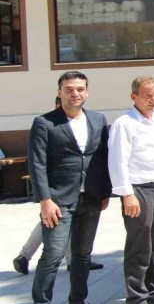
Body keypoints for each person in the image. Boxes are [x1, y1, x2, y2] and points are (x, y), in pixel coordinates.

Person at [28, 71, 111, 304]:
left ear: (87, 92)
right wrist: (45, 200)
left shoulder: (98, 119)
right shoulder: (44, 122)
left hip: (91, 198)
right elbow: (37, 164)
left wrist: (105, 192)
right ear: (60, 92)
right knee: (53, 255)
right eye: (69, 90)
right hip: (58, 200)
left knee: (83, 255)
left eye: (80, 89)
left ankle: (78, 302)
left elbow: (103, 157)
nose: (75, 94)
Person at [108, 76, 154, 304]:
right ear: (134, 97)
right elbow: (117, 161)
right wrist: (127, 194)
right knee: (140, 247)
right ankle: (136, 298)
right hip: (139, 191)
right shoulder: (125, 123)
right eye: (148, 96)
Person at [14, 99, 104, 277]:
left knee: (58, 224)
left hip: (82, 191)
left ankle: (65, 260)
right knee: (52, 230)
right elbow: (38, 162)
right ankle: (27, 256)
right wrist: (45, 197)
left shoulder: (89, 121)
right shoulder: (47, 125)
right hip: (57, 191)